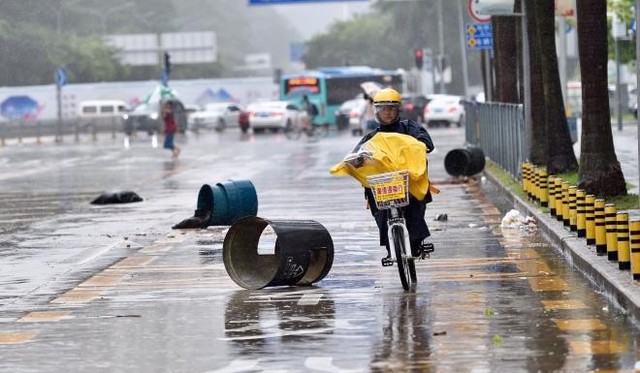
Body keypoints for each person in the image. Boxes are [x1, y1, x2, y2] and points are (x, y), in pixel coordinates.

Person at [352, 88, 435, 260]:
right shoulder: (372, 137)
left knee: (415, 204)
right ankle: (391, 246)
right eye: (383, 109)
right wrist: (357, 160)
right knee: (378, 207)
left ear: (398, 110)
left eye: (391, 108)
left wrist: (419, 144)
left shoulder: (409, 127)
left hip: (408, 182)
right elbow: (355, 154)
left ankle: (417, 241)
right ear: (377, 112)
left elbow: (426, 142)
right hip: (384, 186)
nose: (387, 113)